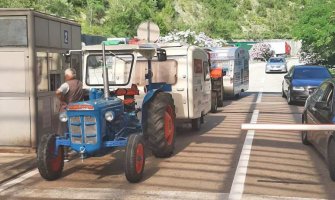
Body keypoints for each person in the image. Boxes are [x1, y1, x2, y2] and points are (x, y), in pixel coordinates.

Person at [56, 68, 83, 161]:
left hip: (67, 110)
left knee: (63, 131)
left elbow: (58, 92)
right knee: (76, 129)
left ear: (67, 76)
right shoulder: (80, 83)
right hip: (77, 109)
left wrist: (62, 100)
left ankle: (65, 155)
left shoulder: (66, 84)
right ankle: (80, 150)